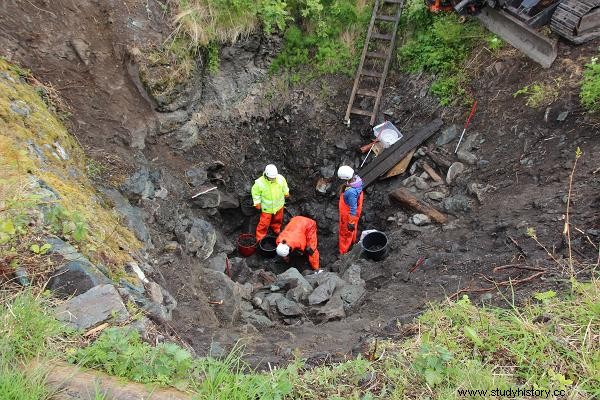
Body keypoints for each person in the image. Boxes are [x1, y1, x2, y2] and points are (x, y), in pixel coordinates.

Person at [251, 164, 289, 241]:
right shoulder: (259, 183)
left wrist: (286, 192)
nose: (273, 179)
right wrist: (257, 203)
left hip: (279, 205)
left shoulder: (280, 179)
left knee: (278, 219)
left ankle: (276, 227)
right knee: (264, 223)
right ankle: (260, 236)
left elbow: (284, 186)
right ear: (266, 175)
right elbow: (255, 194)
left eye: (274, 177)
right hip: (267, 208)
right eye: (271, 178)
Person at [337, 165, 364, 254]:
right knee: (353, 229)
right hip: (355, 212)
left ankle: (343, 252)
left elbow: (353, 208)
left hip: (349, 215)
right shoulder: (357, 180)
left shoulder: (350, 192)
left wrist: (350, 222)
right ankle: (353, 241)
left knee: (345, 233)